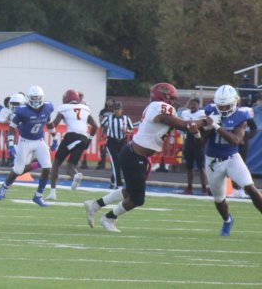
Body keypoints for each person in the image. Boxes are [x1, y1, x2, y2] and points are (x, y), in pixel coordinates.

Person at [84, 82, 207, 232]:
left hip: (134, 154)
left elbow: (187, 128)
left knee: (130, 191)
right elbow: (184, 125)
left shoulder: (157, 108)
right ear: (163, 97)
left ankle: (95, 205)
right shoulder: (159, 107)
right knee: (137, 199)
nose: (174, 102)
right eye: (172, 98)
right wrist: (205, 121)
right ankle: (108, 218)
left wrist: (197, 130)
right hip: (135, 156)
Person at [202, 85, 262, 236]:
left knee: (250, 187)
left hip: (232, 158)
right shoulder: (210, 110)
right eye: (221, 105)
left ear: (235, 102)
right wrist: (202, 129)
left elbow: (236, 140)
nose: (223, 109)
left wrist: (215, 125)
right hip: (212, 161)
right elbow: (202, 139)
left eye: (226, 105)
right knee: (219, 199)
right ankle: (227, 220)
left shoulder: (242, 115)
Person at [0, 85, 55, 206]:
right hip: (24, 142)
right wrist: (10, 145)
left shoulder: (47, 108)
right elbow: (12, 128)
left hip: (39, 141)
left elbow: (49, 122)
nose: (36, 100)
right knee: (18, 169)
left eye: (38, 97)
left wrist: (55, 138)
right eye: (34, 97)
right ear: (28, 98)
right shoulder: (22, 111)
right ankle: (4, 187)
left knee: (47, 167)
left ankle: (38, 195)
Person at [45, 89, 98, 201]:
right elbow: (95, 126)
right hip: (83, 138)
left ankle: (53, 192)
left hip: (71, 136)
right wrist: (89, 140)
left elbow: (55, 124)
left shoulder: (64, 108)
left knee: (56, 163)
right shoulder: (85, 108)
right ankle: (75, 176)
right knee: (70, 166)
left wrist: (46, 122)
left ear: (67, 98)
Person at [180, 98, 208, 195]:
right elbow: (183, 126)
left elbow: (204, 126)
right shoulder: (185, 113)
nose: (193, 106)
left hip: (198, 140)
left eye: (194, 104)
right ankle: (189, 187)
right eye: (191, 104)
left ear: (198, 105)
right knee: (189, 167)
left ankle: (204, 188)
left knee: (201, 167)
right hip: (189, 140)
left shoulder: (202, 113)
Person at [102, 101, 133, 189]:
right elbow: (102, 125)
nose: (116, 111)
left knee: (121, 162)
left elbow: (131, 130)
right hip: (111, 141)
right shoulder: (109, 118)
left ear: (121, 110)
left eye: (118, 109)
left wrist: (126, 131)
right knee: (115, 161)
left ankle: (113, 180)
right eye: (115, 109)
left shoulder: (126, 119)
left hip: (123, 142)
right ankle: (118, 183)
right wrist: (101, 136)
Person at [96, 99, 115, 169]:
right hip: (104, 131)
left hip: (112, 132)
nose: (109, 102)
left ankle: (113, 164)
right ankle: (102, 163)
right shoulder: (103, 111)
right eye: (108, 101)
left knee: (112, 149)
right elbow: (101, 120)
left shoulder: (114, 111)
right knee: (102, 149)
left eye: (110, 101)